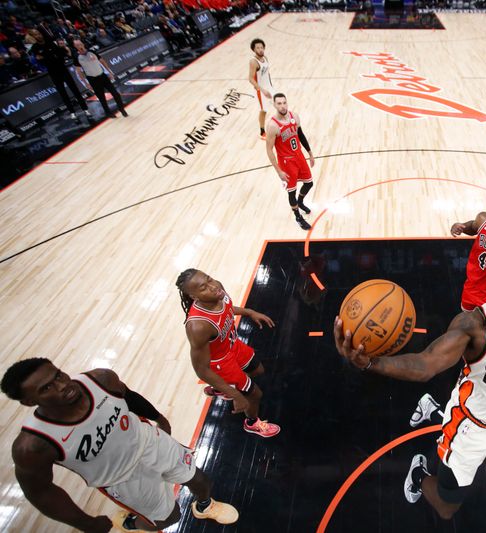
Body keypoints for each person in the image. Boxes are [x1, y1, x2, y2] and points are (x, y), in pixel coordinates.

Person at [334, 254, 486, 519]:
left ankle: (432, 408)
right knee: (446, 508)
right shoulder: (474, 327)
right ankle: (419, 474)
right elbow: (426, 364)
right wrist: (369, 363)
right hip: (470, 426)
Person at [1, 358, 238, 532]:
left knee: (201, 481)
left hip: (150, 443)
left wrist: (158, 417)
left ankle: (204, 506)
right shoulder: (32, 446)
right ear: (28, 401)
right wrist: (87, 523)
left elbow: (128, 396)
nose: (62, 385)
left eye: (58, 376)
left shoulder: (101, 380)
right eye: (47, 388)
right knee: (169, 519)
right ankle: (130, 522)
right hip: (122, 479)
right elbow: (41, 493)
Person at [175, 268, 281, 438]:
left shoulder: (218, 289)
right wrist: (235, 395)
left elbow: (228, 308)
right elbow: (201, 370)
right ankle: (252, 423)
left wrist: (249, 312)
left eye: (209, 278)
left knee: (258, 370)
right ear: (194, 297)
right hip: (220, 363)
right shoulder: (198, 326)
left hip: (232, 346)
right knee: (255, 395)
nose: (212, 286)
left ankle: (221, 388)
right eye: (203, 287)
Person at [265, 93, 315, 231]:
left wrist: (310, 153)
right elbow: (269, 150)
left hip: (299, 156)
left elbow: (300, 134)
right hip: (286, 162)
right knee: (291, 192)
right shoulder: (272, 126)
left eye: (284, 103)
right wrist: (279, 171)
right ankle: (298, 217)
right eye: (279, 103)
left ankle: (300, 202)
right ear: (274, 105)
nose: (282, 106)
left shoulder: (295, 116)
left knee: (309, 183)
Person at [29, 28, 90, 120]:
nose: (38, 36)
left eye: (39, 33)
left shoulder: (50, 42)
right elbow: (40, 60)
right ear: (33, 37)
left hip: (62, 68)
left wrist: (47, 56)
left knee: (74, 89)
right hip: (53, 72)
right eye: (35, 35)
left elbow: (59, 53)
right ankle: (72, 112)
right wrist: (50, 56)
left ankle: (85, 109)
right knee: (63, 93)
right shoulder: (35, 48)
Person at [73, 39, 128, 119]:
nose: (80, 46)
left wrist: (109, 72)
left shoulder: (92, 52)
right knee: (101, 98)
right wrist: (86, 83)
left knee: (115, 93)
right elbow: (79, 72)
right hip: (92, 79)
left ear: (83, 44)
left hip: (102, 76)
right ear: (75, 47)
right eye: (77, 45)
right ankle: (108, 112)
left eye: (80, 44)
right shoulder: (77, 58)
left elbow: (102, 61)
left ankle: (122, 109)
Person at [248, 38, 275, 140]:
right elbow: (250, 78)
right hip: (261, 90)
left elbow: (267, 73)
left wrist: (271, 87)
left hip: (269, 87)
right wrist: (262, 90)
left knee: (278, 104)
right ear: (254, 50)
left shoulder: (265, 58)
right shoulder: (253, 62)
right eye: (258, 48)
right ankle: (262, 132)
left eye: (262, 47)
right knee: (263, 110)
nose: (260, 49)